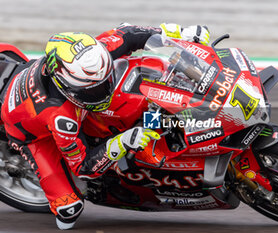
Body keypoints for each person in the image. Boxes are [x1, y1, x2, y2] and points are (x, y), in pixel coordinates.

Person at [0, 23, 210, 230]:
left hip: (37, 82)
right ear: (68, 88)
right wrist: (124, 140)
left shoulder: (93, 55)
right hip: (31, 135)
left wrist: (182, 34)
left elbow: (130, 33)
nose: (105, 90)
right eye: (93, 90)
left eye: (106, 79)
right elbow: (84, 167)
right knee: (69, 211)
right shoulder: (61, 118)